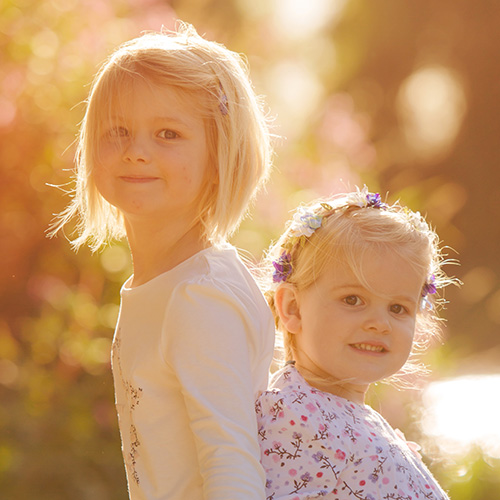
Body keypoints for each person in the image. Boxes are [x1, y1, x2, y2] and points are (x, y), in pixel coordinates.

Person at [50, 23, 275, 500]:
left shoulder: (199, 298)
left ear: (219, 157)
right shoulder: (165, 284)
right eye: (119, 131)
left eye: (168, 134)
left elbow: (233, 471)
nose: (136, 152)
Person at [256, 187, 455, 500]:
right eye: (353, 299)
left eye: (397, 308)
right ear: (293, 308)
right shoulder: (294, 415)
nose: (379, 323)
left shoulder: (343, 414)